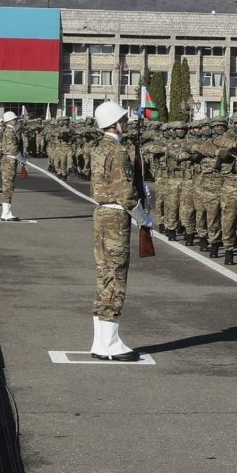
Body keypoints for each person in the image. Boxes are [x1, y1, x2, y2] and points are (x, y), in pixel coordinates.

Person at [89, 101, 143, 362]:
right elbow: (126, 192)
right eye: (124, 119)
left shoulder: (98, 147)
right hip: (116, 216)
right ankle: (110, 343)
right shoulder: (119, 151)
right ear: (114, 122)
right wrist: (144, 218)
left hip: (101, 213)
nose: (127, 123)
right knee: (116, 275)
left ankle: (100, 340)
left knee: (104, 274)